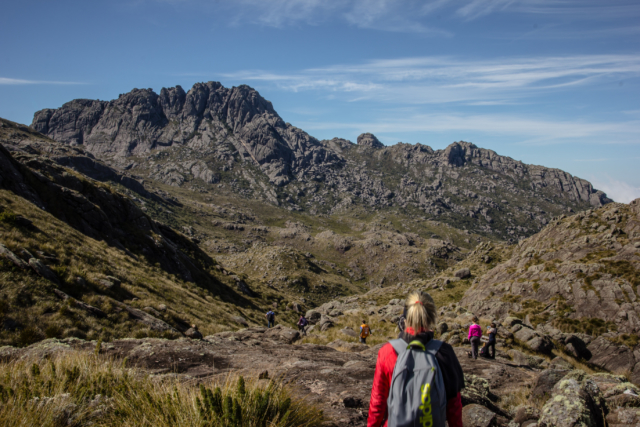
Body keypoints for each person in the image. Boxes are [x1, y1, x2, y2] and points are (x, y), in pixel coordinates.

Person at [368, 292, 464, 427]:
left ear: (405, 320)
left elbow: (377, 402)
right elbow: (454, 405)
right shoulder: (444, 352)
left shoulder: (387, 352)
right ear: (430, 320)